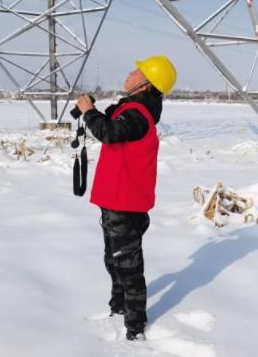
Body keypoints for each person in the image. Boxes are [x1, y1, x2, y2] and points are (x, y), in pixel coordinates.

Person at [75, 55, 177, 342]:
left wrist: (89, 112)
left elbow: (109, 132)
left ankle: (135, 328)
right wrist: (93, 112)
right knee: (114, 258)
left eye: (137, 71)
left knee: (128, 264)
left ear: (145, 84)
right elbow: (112, 129)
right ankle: (118, 307)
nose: (131, 73)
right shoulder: (133, 110)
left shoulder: (136, 114)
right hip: (116, 199)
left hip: (125, 202)